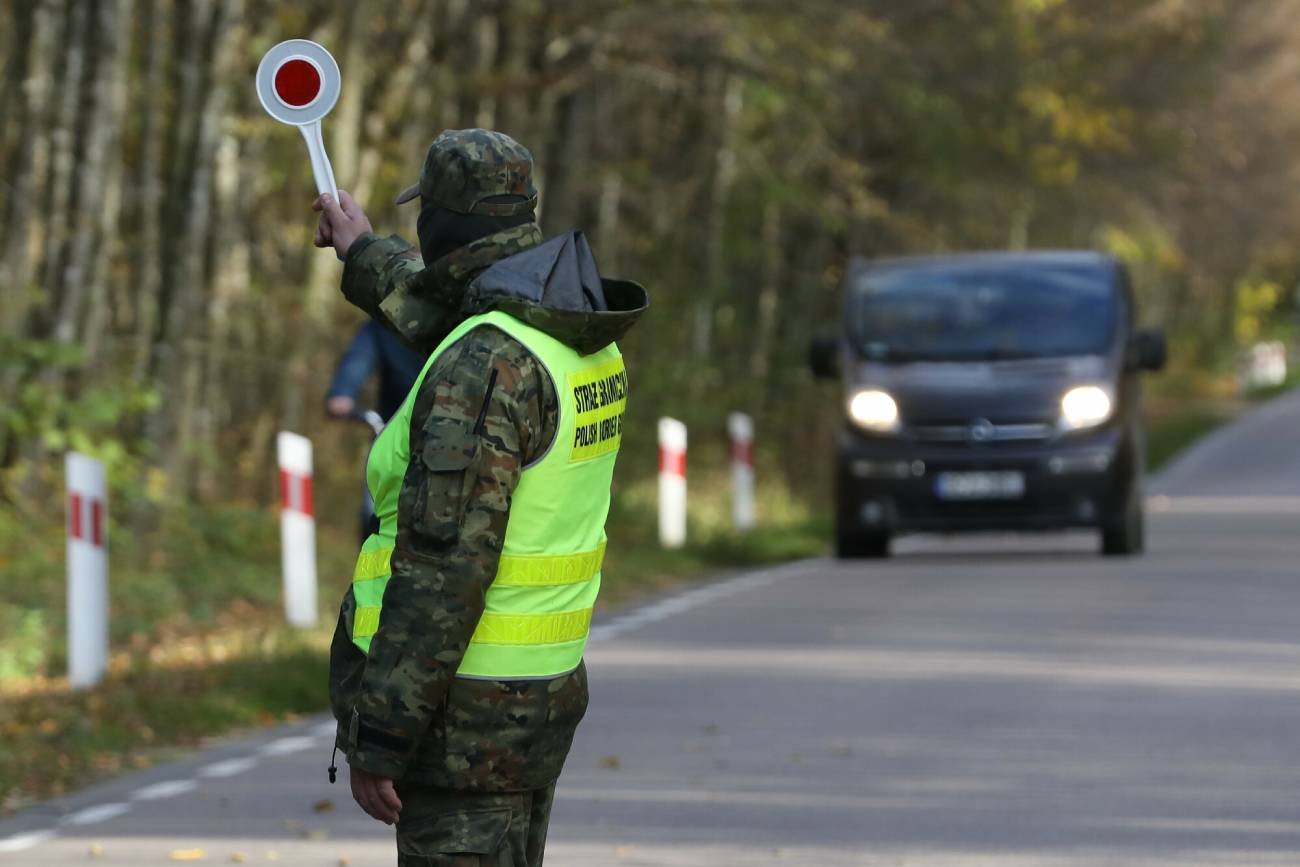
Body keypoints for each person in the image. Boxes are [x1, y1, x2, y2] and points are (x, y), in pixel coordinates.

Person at [312, 128, 647, 866]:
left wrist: (383, 735)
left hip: (458, 721)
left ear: (441, 222)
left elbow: (444, 571)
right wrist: (363, 247)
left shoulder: (483, 366)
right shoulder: (571, 328)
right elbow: (454, 303)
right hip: (535, 705)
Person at [325, 319, 423, 423]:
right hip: (392, 420)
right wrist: (343, 391)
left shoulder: (440, 320)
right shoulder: (384, 324)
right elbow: (360, 356)